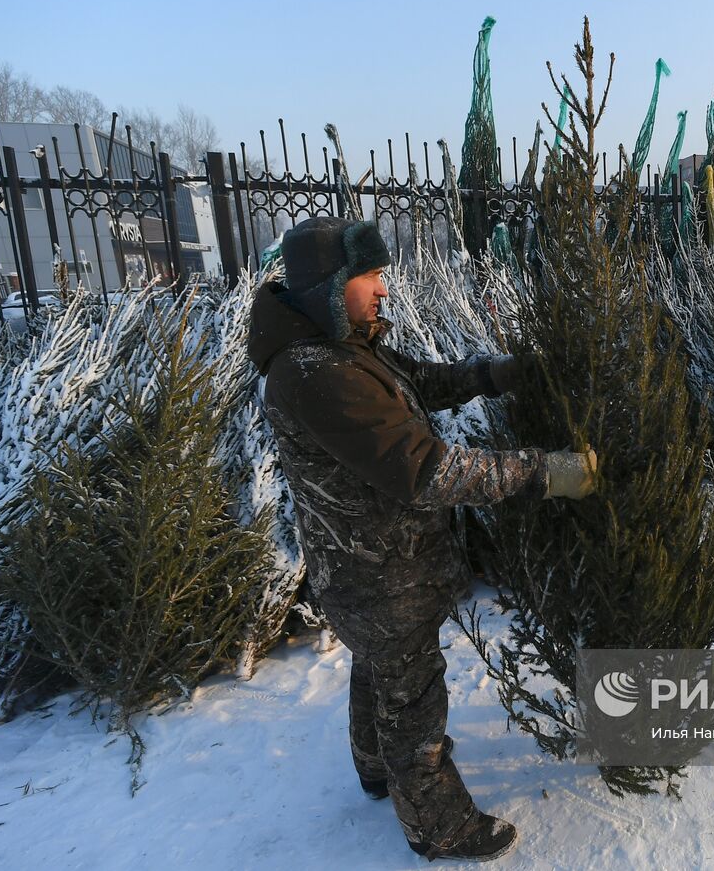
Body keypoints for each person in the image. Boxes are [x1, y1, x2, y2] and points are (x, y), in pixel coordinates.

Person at [247, 216, 596, 861]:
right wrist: (547, 472)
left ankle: (374, 765)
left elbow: (419, 385)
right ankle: (439, 825)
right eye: (370, 275)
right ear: (330, 284)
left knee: (377, 662)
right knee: (412, 690)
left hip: (373, 569)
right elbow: (423, 469)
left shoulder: (345, 345)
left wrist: (500, 374)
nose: (383, 288)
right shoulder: (313, 372)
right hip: (377, 572)